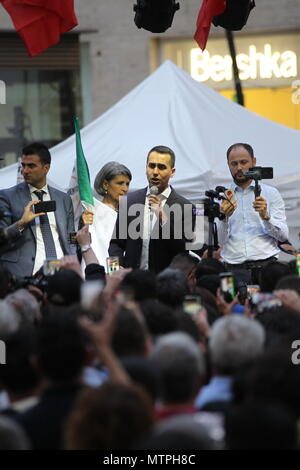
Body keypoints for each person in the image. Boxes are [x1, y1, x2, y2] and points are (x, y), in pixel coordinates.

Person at [109, 145, 195, 273]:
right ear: (146, 168)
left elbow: (184, 251)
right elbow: (116, 244)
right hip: (133, 282)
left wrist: (163, 218)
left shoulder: (185, 207)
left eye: (161, 167)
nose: (155, 172)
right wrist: (113, 271)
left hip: (165, 284)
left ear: (172, 172)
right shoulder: (129, 201)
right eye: (151, 166)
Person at [0, 142, 75, 279]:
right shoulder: (6, 196)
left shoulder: (63, 199)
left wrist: (74, 259)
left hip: (60, 272)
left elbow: (71, 236)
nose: (25, 170)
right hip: (22, 275)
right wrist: (21, 223)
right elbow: (1, 237)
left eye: (31, 166)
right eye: (23, 165)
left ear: (46, 168)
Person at [217, 143, 289, 284]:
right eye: (234, 163)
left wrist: (266, 217)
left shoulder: (271, 193)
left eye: (243, 162)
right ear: (228, 165)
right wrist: (223, 218)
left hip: (267, 268)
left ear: (254, 161)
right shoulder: (222, 196)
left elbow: (283, 236)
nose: (239, 168)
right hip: (233, 269)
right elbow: (220, 241)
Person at [81, 161, 132, 269]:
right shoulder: (91, 211)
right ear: (105, 184)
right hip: (97, 269)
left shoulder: (129, 212)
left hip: (121, 273)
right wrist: (81, 225)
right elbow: (72, 240)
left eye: (127, 184)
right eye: (120, 183)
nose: (125, 189)